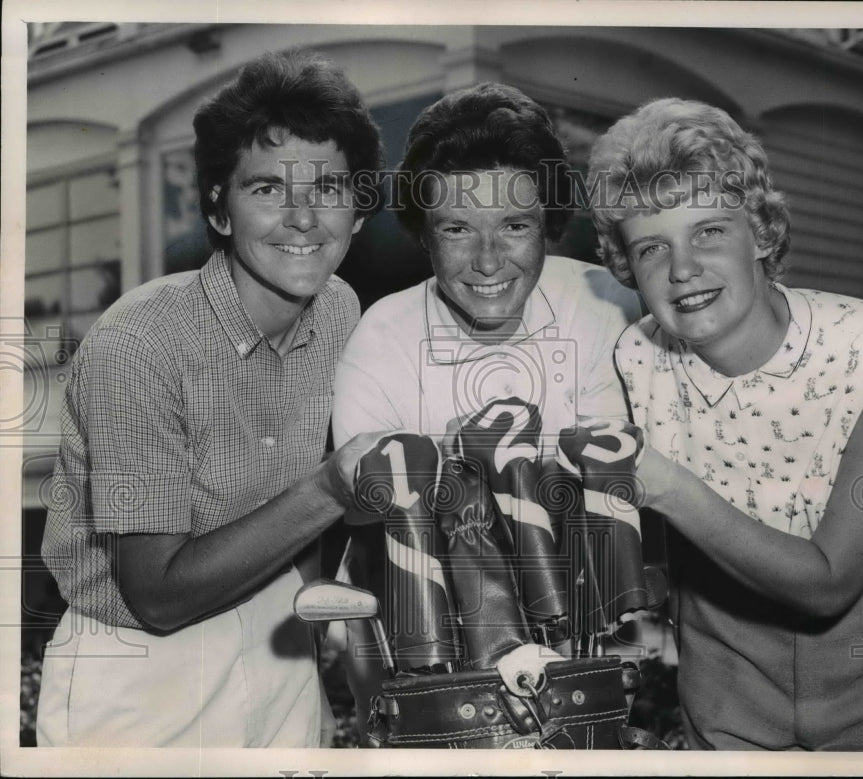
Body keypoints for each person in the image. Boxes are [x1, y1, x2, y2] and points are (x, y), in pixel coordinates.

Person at [586, 97, 863, 751]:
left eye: (709, 231)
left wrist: (666, 487)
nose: (682, 269)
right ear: (626, 269)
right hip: (726, 674)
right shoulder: (637, 353)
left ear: (762, 232)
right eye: (652, 248)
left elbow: (829, 583)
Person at [37, 51, 384, 747]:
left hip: (282, 641)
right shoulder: (138, 341)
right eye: (266, 190)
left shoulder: (342, 308)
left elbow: (305, 543)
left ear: (359, 209)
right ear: (219, 212)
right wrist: (331, 486)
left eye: (328, 187)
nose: (303, 217)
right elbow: (157, 593)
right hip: (138, 670)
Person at [330, 82, 641, 732]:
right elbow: (379, 538)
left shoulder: (605, 305)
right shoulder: (380, 338)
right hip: (442, 685)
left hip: (595, 670)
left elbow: (628, 512)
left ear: (549, 224)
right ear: (424, 233)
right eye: (457, 229)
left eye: (515, 225)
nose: (489, 260)